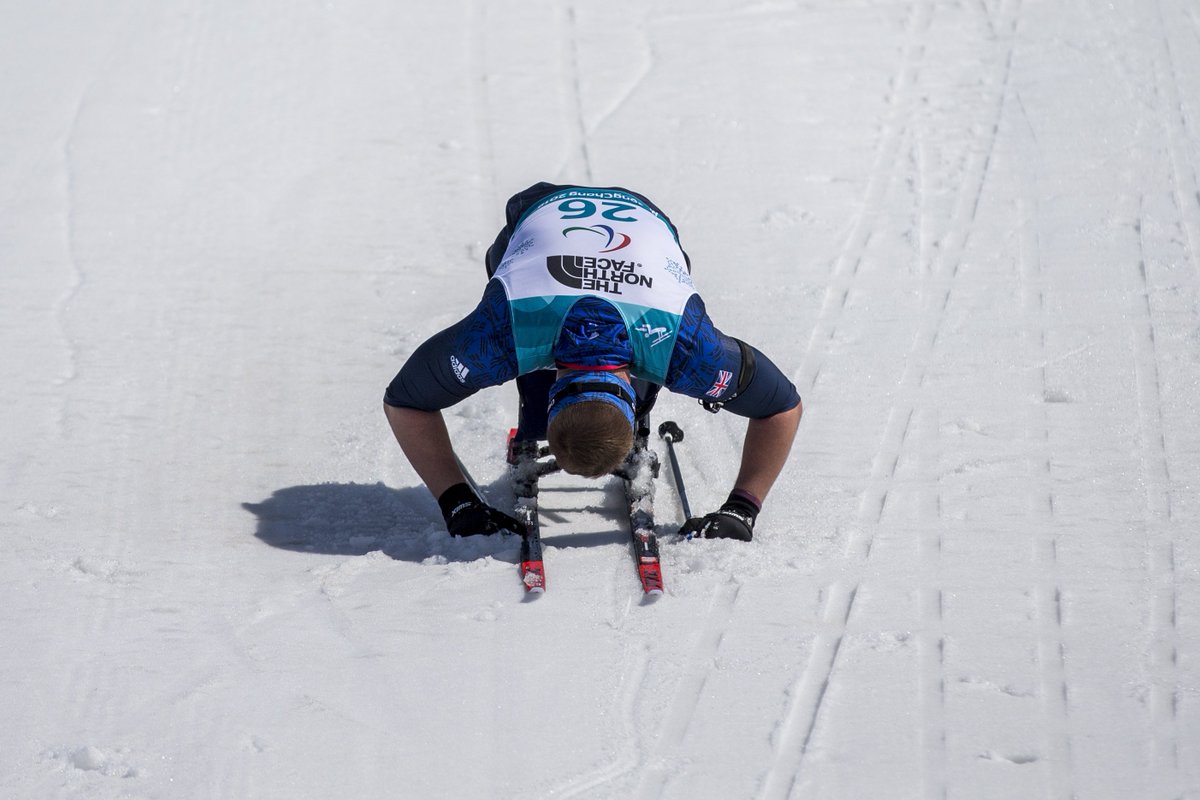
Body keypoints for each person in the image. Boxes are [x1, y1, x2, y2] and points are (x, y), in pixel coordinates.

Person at [384, 182, 802, 542]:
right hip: (565, 214)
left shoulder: (684, 350)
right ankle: (617, 402)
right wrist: (740, 510)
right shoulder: (501, 337)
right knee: (627, 353)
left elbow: (406, 402)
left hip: (617, 220)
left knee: (586, 349)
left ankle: (551, 402)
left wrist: (458, 504)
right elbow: (781, 408)